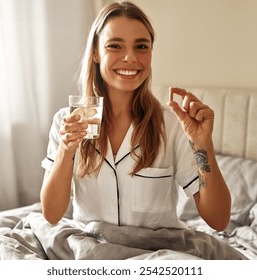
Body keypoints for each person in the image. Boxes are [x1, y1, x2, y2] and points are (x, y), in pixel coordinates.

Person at [40, 1, 231, 232]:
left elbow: (218, 220)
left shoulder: (171, 126)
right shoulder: (67, 123)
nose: (130, 57)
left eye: (141, 46)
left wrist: (204, 145)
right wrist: (66, 151)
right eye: (115, 46)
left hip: (154, 254)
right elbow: (51, 215)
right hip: (91, 252)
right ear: (95, 53)